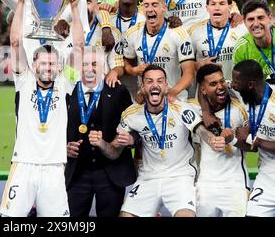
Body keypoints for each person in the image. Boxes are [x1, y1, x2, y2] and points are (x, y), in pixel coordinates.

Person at [91, 65, 223, 217]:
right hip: (148, 178)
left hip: (180, 176)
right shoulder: (131, 114)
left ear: (166, 86)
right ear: (142, 86)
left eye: (160, 81)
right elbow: (114, 152)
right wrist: (101, 143)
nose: (155, 85)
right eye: (149, 81)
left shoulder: (181, 108)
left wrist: (213, 140)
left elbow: (201, 131)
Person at [0, 0, 84, 217]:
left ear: (59, 66)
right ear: (33, 64)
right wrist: (22, 2)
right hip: (23, 164)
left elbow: (78, 45)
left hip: (54, 168)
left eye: (52, 63)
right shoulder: (23, 81)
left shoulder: (65, 83)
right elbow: (15, 42)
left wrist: (75, 9)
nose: (48, 67)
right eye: (43, 63)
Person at [65, 46, 135, 217]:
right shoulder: (67, 92)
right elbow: (54, 130)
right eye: (85, 64)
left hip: (111, 173)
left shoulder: (118, 92)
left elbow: (133, 127)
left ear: (104, 67)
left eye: (95, 64)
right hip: (76, 173)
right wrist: (63, 147)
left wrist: (130, 140)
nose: (90, 69)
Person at [191, 64, 250, 217]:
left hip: (235, 185)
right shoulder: (194, 110)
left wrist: (233, 139)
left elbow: (251, 147)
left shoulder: (240, 109)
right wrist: (205, 111)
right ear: (202, 90)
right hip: (205, 186)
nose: (220, 87)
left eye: (221, 81)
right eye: (213, 84)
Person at [121, 0, 195, 102]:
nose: (150, 9)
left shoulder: (178, 33)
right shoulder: (132, 33)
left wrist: (173, 91)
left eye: (154, 5)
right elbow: (126, 62)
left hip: (174, 98)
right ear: (142, 9)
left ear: (164, 7)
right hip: (145, 99)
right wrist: (133, 70)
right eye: (146, 5)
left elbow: (189, 72)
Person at [231, 60, 275, 217]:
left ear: (250, 84)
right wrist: (236, 140)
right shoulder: (244, 93)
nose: (233, 86)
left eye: (236, 83)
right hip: (267, 174)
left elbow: (255, 144)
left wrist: (255, 140)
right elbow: (220, 87)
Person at [189, 0, 247, 81]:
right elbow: (183, 67)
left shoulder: (243, 28)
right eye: (213, 4)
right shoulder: (195, 32)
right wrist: (199, 65)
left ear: (230, 7)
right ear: (207, 8)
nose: (217, 7)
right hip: (208, 91)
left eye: (222, 3)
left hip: (237, 90)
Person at [233, 0, 275, 81]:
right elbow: (242, 85)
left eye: (260, 18)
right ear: (244, 22)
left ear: (270, 18)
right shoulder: (241, 49)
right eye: (251, 19)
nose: (256, 24)